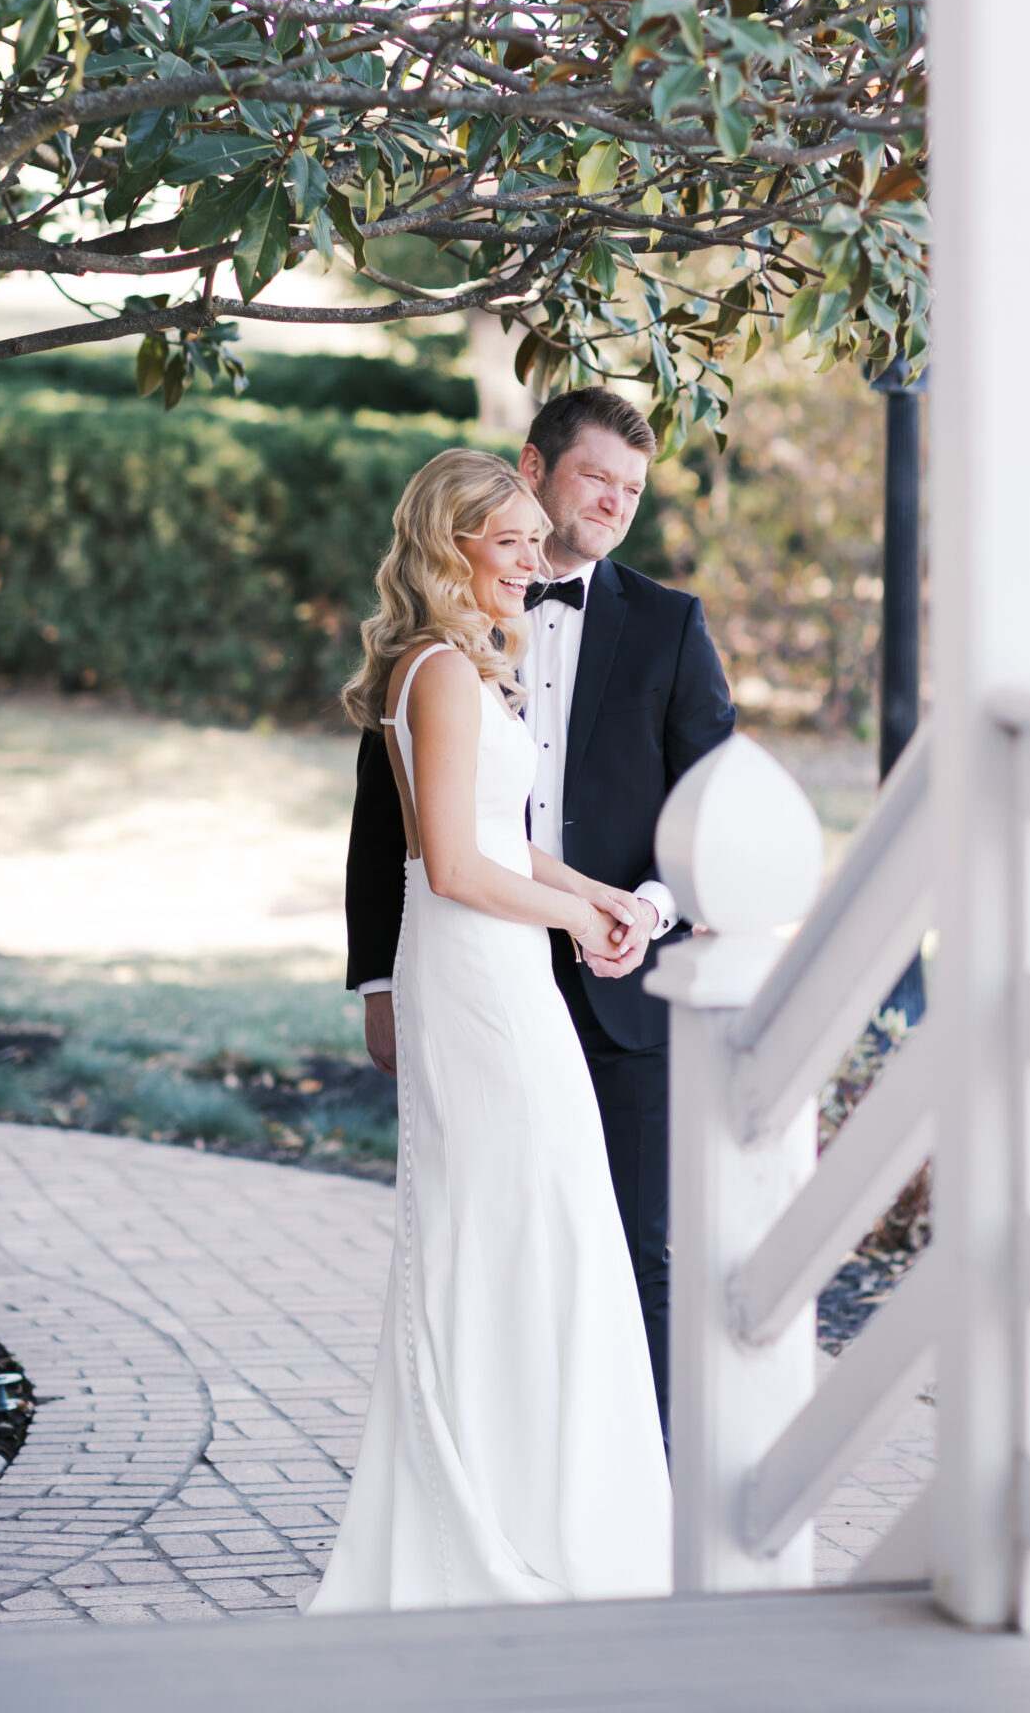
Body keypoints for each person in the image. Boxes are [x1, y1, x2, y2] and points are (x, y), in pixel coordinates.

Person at [307, 449, 670, 1611]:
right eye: (508, 541)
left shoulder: (454, 666)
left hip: (497, 961)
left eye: (532, 540)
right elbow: (454, 866)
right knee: (528, 1227)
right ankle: (509, 1514)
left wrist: (600, 898)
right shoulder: (444, 675)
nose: (533, 559)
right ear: (449, 547)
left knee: (534, 1228)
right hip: (479, 978)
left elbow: (504, 842)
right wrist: (573, 919)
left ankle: (531, 1496)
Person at [344, 387, 737, 1433]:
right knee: (499, 1228)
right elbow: (393, 817)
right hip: (482, 971)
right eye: (595, 476)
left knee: (632, 1245)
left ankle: (643, 1479)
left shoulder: (668, 625)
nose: (614, 500)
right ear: (533, 468)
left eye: (632, 488)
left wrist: (640, 910)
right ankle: (517, 1459)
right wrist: (377, 975)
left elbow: (716, 806)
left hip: (621, 980)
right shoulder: (453, 640)